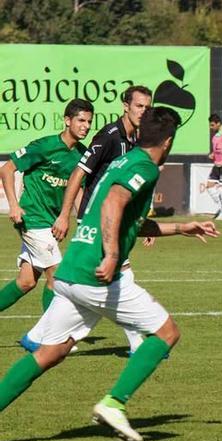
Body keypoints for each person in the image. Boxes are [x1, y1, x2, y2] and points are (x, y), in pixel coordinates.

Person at [0, 107, 220, 441]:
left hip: (73, 269)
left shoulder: (124, 160)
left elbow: (129, 220)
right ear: (169, 140)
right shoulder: (144, 166)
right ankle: (114, 403)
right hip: (96, 273)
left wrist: (181, 228)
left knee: (49, 352)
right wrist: (113, 255)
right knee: (166, 333)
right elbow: (113, 204)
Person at [30, 86, 154, 353]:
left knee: (91, 282)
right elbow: (78, 173)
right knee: (121, 274)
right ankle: (137, 344)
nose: (143, 112)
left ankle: (37, 334)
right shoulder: (109, 136)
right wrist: (65, 215)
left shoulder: (136, 139)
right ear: (125, 106)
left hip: (116, 216)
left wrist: (143, 219)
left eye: (147, 107)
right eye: (139, 106)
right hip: (96, 216)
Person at [0, 99, 92, 317]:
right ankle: (49, 338)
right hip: (32, 218)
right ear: (67, 120)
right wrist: (13, 205)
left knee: (26, 282)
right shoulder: (45, 146)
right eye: (80, 120)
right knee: (57, 276)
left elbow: (78, 191)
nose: (85, 126)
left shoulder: (82, 154)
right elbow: (6, 170)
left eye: (89, 121)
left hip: (49, 224)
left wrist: (84, 224)